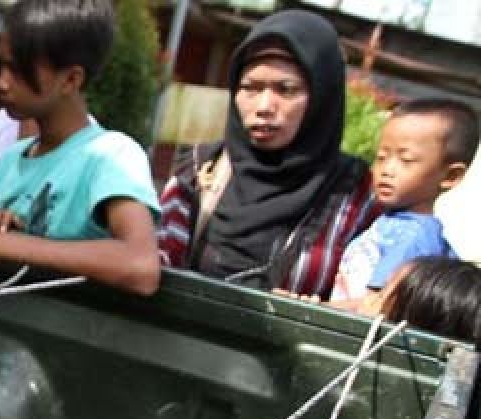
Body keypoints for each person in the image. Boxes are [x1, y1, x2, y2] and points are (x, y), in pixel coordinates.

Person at [157, 10, 376, 298]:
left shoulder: (356, 194)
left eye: (285, 90)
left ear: (323, 96)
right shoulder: (199, 171)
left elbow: (367, 303)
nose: (263, 106)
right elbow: (158, 259)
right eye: (250, 88)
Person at [0, 0, 160, 295]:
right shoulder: (12, 160)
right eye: (1, 66)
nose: (1, 83)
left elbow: (140, 266)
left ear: (71, 79)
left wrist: (9, 245)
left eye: (18, 70)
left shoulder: (112, 156)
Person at [330, 98, 477, 307]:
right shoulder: (393, 222)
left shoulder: (414, 235)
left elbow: (377, 306)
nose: (387, 170)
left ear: (451, 176)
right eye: (381, 157)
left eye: (406, 160)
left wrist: (311, 307)